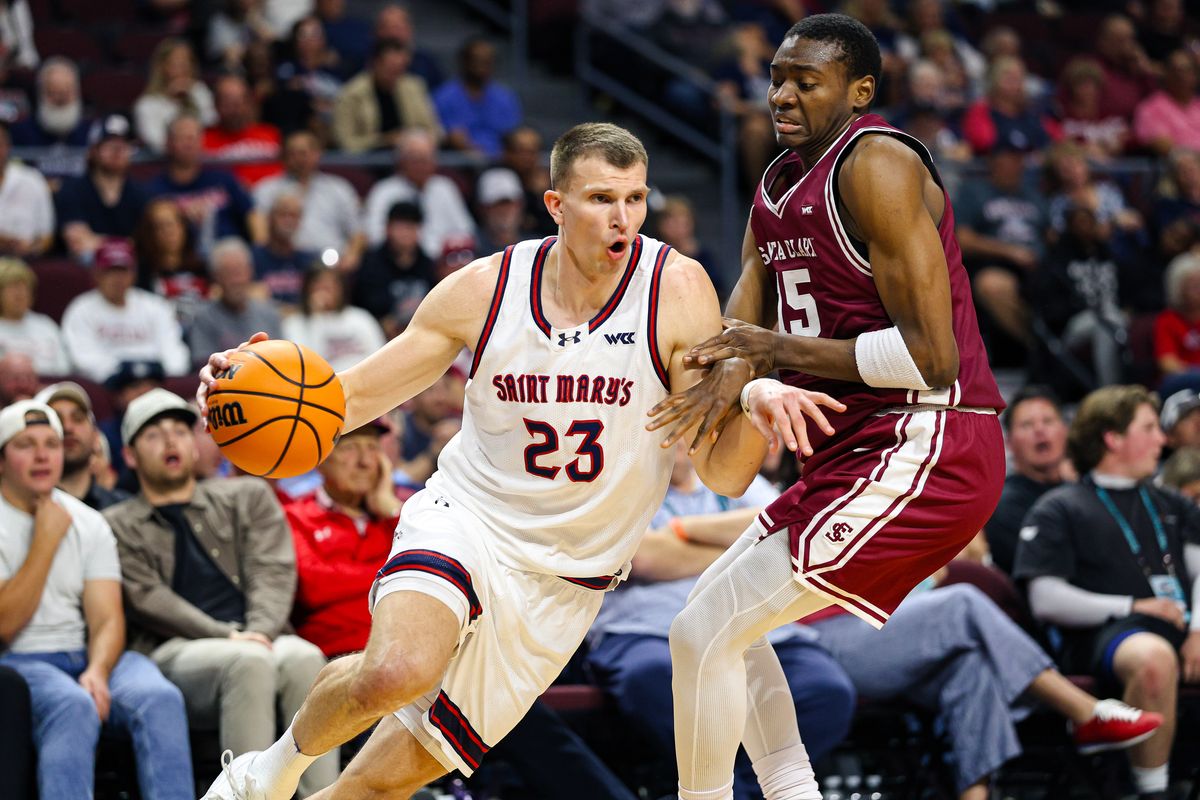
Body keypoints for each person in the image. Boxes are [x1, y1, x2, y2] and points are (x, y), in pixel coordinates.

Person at [197, 121, 819, 799]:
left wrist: (756, 403)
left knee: (376, 788)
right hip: (471, 522)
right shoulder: (484, 289)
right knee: (394, 671)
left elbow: (724, 473)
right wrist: (250, 390)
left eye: (636, 199)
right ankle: (269, 769)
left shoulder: (676, 290)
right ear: (555, 205)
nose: (623, 219)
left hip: (567, 583)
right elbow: (344, 402)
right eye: (602, 198)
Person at [643, 15, 1009, 800]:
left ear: (860, 91)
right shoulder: (776, 182)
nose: (780, 93)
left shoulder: (877, 163)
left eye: (805, 80)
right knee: (704, 628)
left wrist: (777, 353)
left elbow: (930, 360)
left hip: (930, 441)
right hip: (851, 451)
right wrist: (727, 379)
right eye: (777, 75)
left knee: (709, 632)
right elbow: (742, 329)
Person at [586, 442, 857, 800]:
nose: (685, 440)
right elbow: (646, 557)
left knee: (826, 690)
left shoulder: (737, 483)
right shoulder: (621, 485)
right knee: (649, 678)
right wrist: (744, 548)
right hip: (644, 633)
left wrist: (683, 530)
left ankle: (731, 791)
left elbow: (791, 528)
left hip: (754, 628)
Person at [103, 389, 340, 798]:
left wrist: (261, 631)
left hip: (258, 637)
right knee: (247, 662)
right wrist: (230, 636)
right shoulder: (115, 523)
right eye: (155, 435)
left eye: (181, 430)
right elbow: (148, 598)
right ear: (129, 456)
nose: (172, 440)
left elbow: (274, 570)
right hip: (173, 649)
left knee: (305, 657)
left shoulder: (246, 496)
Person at [808, 580, 1164, 800]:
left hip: (875, 624)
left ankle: (975, 796)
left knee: (972, 664)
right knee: (961, 603)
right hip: (813, 637)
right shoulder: (770, 491)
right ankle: (1084, 713)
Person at [0, 399, 194, 800]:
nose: (42, 456)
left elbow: (107, 619)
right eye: (25, 445)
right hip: (18, 661)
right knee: (72, 706)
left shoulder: (89, 522)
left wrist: (99, 671)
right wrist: (46, 539)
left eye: (51, 444)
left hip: (85, 655)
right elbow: (4, 626)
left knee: (160, 697)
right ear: (1, 460)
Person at [1014, 385, 1200, 800]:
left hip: (1184, 629)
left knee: (1162, 649)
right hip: (1107, 636)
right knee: (1152, 657)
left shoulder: (1172, 501)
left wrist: (1198, 631)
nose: (1162, 439)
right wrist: (1133, 604)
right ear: (1113, 438)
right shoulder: (1060, 507)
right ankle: (1152, 792)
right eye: (1149, 428)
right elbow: (1046, 599)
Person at [286, 418, 401, 658]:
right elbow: (315, 587)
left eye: (372, 448)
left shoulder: (403, 514)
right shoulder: (295, 516)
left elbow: (433, 570)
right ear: (319, 459)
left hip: (404, 649)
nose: (365, 462)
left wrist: (392, 509)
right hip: (335, 655)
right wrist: (396, 576)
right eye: (349, 448)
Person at [60, 238, 190, 384]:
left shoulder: (155, 306)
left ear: (133, 274)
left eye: (123, 271)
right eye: (111, 271)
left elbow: (175, 354)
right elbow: (82, 358)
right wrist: (124, 379)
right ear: (96, 274)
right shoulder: (81, 309)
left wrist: (155, 378)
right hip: (108, 387)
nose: (118, 278)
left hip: (156, 383)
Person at [984, 386, 1072, 575]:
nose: (1039, 430)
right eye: (1026, 425)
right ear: (1009, 443)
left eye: (1048, 421)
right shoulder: (1003, 505)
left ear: (1065, 431)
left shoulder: (1082, 490)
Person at [144, 114, 265, 252]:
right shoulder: (154, 190)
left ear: (202, 141)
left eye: (193, 138)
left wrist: (259, 250)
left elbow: (252, 213)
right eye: (181, 138)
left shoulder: (222, 178)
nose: (188, 143)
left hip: (227, 254)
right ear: (168, 143)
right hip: (180, 256)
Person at [253, 130, 366, 269]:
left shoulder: (339, 188)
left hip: (332, 265)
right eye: (292, 154)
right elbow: (260, 234)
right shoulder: (267, 189)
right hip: (285, 264)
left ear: (317, 154)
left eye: (303, 153)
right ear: (284, 157)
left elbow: (358, 233)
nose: (299, 159)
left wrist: (351, 256)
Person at [363, 129, 475, 260]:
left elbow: (466, 231)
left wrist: (448, 248)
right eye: (416, 159)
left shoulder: (445, 187)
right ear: (402, 161)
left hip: (444, 263)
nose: (422, 166)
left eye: (426, 159)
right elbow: (374, 235)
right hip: (400, 262)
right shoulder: (384, 191)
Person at [57, 113, 148, 264]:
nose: (118, 151)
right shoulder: (72, 189)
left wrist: (97, 241)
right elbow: (78, 243)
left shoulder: (140, 193)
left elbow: (147, 245)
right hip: (86, 272)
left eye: (124, 145)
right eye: (110, 144)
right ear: (93, 150)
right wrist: (127, 245)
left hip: (131, 270)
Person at [331, 38, 440, 154]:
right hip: (366, 162)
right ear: (374, 64)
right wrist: (384, 141)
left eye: (401, 68)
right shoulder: (351, 94)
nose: (396, 74)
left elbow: (435, 132)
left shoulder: (414, 88)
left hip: (411, 157)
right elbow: (345, 142)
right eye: (391, 68)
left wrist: (413, 141)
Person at [35, 381, 130, 510]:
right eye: (57, 420)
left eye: (78, 418)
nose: (68, 428)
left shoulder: (123, 507)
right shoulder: (20, 511)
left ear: (96, 436)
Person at [189, 237, 282, 366]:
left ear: (250, 271)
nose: (236, 280)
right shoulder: (204, 318)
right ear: (216, 277)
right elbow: (204, 365)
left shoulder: (270, 314)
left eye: (239, 271)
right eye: (229, 273)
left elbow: (282, 360)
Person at [351, 200, 437, 335]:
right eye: (400, 227)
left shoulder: (428, 265)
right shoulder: (370, 264)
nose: (405, 234)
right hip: (378, 333)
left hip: (422, 331)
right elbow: (363, 306)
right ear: (387, 229)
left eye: (410, 227)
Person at [433, 37, 522, 159]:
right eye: (476, 60)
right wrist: (473, 153)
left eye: (487, 62)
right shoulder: (444, 96)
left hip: (501, 162)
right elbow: (447, 136)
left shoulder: (504, 96)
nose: (482, 67)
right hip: (459, 162)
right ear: (464, 62)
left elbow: (512, 134)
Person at [282, 267, 385, 371]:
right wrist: (315, 316)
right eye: (319, 283)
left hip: (366, 379)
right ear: (307, 288)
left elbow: (380, 356)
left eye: (333, 283)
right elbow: (304, 365)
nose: (327, 288)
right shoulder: (295, 323)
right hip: (326, 382)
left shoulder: (360, 317)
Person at [133, 39, 217, 153]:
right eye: (177, 63)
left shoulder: (199, 91)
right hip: (165, 164)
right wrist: (172, 100)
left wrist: (190, 100)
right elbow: (157, 143)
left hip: (203, 158)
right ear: (162, 67)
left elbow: (212, 124)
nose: (184, 68)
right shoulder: (147, 104)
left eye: (188, 62)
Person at [203, 73, 284, 186]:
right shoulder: (203, 139)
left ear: (249, 103)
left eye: (240, 101)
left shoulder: (271, 133)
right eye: (227, 102)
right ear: (215, 104)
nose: (235, 108)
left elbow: (283, 175)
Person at [0, 257, 70, 374]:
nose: (20, 293)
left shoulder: (46, 324)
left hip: (49, 386)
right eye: (12, 287)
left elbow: (64, 369)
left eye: (24, 286)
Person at [0, 121, 54, 259]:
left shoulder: (32, 179)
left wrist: (32, 249)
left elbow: (46, 235)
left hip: (27, 261)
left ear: (8, 146)